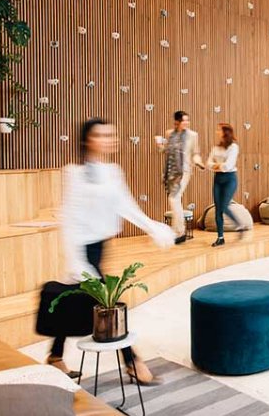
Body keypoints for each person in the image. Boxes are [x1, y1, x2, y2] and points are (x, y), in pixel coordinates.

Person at [38, 118, 174, 385]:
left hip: (100, 246)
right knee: (108, 305)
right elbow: (69, 217)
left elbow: (126, 205)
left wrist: (153, 227)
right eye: (100, 135)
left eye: (110, 134)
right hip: (83, 249)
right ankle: (132, 361)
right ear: (87, 140)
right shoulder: (74, 173)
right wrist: (76, 260)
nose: (108, 138)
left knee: (74, 301)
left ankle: (55, 357)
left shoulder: (113, 171)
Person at [157, 110, 204, 244]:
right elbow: (165, 151)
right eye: (184, 120)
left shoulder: (193, 135)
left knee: (174, 198)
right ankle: (178, 230)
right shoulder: (169, 134)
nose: (186, 123)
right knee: (174, 200)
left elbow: (195, 153)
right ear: (177, 122)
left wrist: (198, 162)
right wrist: (159, 144)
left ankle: (179, 231)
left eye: (187, 120)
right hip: (170, 172)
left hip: (184, 171)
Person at [207, 124, 246, 246]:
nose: (217, 131)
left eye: (219, 129)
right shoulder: (215, 148)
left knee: (223, 206)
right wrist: (218, 166)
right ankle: (220, 237)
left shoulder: (234, 147)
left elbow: (228, 166)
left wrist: (216, 166)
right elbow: (208, 163)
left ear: (226, 132)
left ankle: (239, 225)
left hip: (230, 179)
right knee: (218, 209)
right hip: (218, 179)